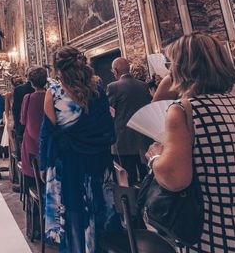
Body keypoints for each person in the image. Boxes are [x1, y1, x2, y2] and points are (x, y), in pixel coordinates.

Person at [145, 33, 235, 252]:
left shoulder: (183, 110)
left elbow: (174, 178)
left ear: (182, 67)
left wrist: (155, 156)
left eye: (171, 64)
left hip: (216, 232)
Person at [40, 46, 119, 252]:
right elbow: (108, 127)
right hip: (98, 160)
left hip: (68, 163)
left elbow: (47, 133)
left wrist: (43, 164)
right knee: (97, 210)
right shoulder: (98, 88)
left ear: (57, 70)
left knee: (73, 213)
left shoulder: (54, 93)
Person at [106, 57, 151, 184]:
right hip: (143, 139)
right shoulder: (143, 85)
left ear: (115, 71)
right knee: (146, 176)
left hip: (123, 142)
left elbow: (109, 113)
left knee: (127, 179)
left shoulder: (113, 87)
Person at [20, 67, 47, 186]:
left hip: (31, 140)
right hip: (48, 140)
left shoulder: (28, 98)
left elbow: (23, 120)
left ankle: (35, 201)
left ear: (31, 82)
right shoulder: (51, 96)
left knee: (32, 173)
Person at [12, 71, 34, 145]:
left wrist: (17, 127)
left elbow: (15, 110)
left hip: (22, 124)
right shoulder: (46, 91)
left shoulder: (18, 90)